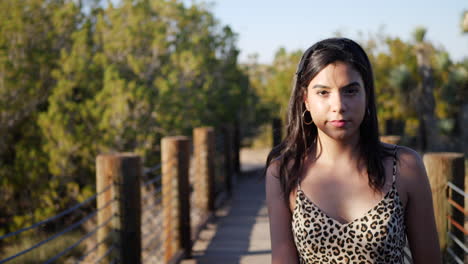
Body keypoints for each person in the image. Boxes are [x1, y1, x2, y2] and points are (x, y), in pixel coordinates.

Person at [265, 38, 441, 264]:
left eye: (350, 91)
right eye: (323, 92)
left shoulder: (404, 166)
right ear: (305, 99)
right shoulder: (284, 173)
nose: (338, 105)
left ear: (367, 95)